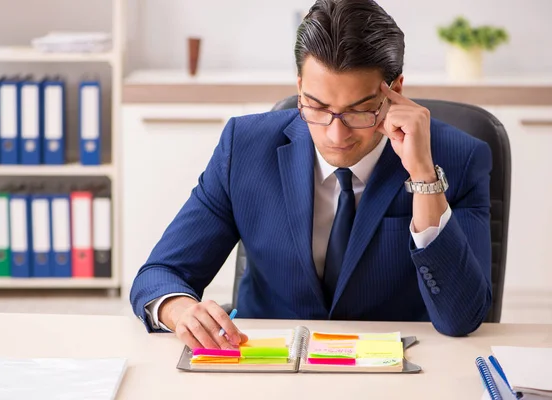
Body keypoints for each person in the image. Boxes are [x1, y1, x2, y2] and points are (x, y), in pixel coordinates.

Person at [130, 0, 493, 348]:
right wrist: (180, 310)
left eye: (359, 111)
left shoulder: (457, 159)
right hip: (269, 364)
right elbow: (160, 274)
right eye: (318, 108)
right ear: (299, 86)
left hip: (395, 369)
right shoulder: (245, 148)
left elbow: (460, 318)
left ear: (394, 92)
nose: (337, 136)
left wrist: (424, 178)